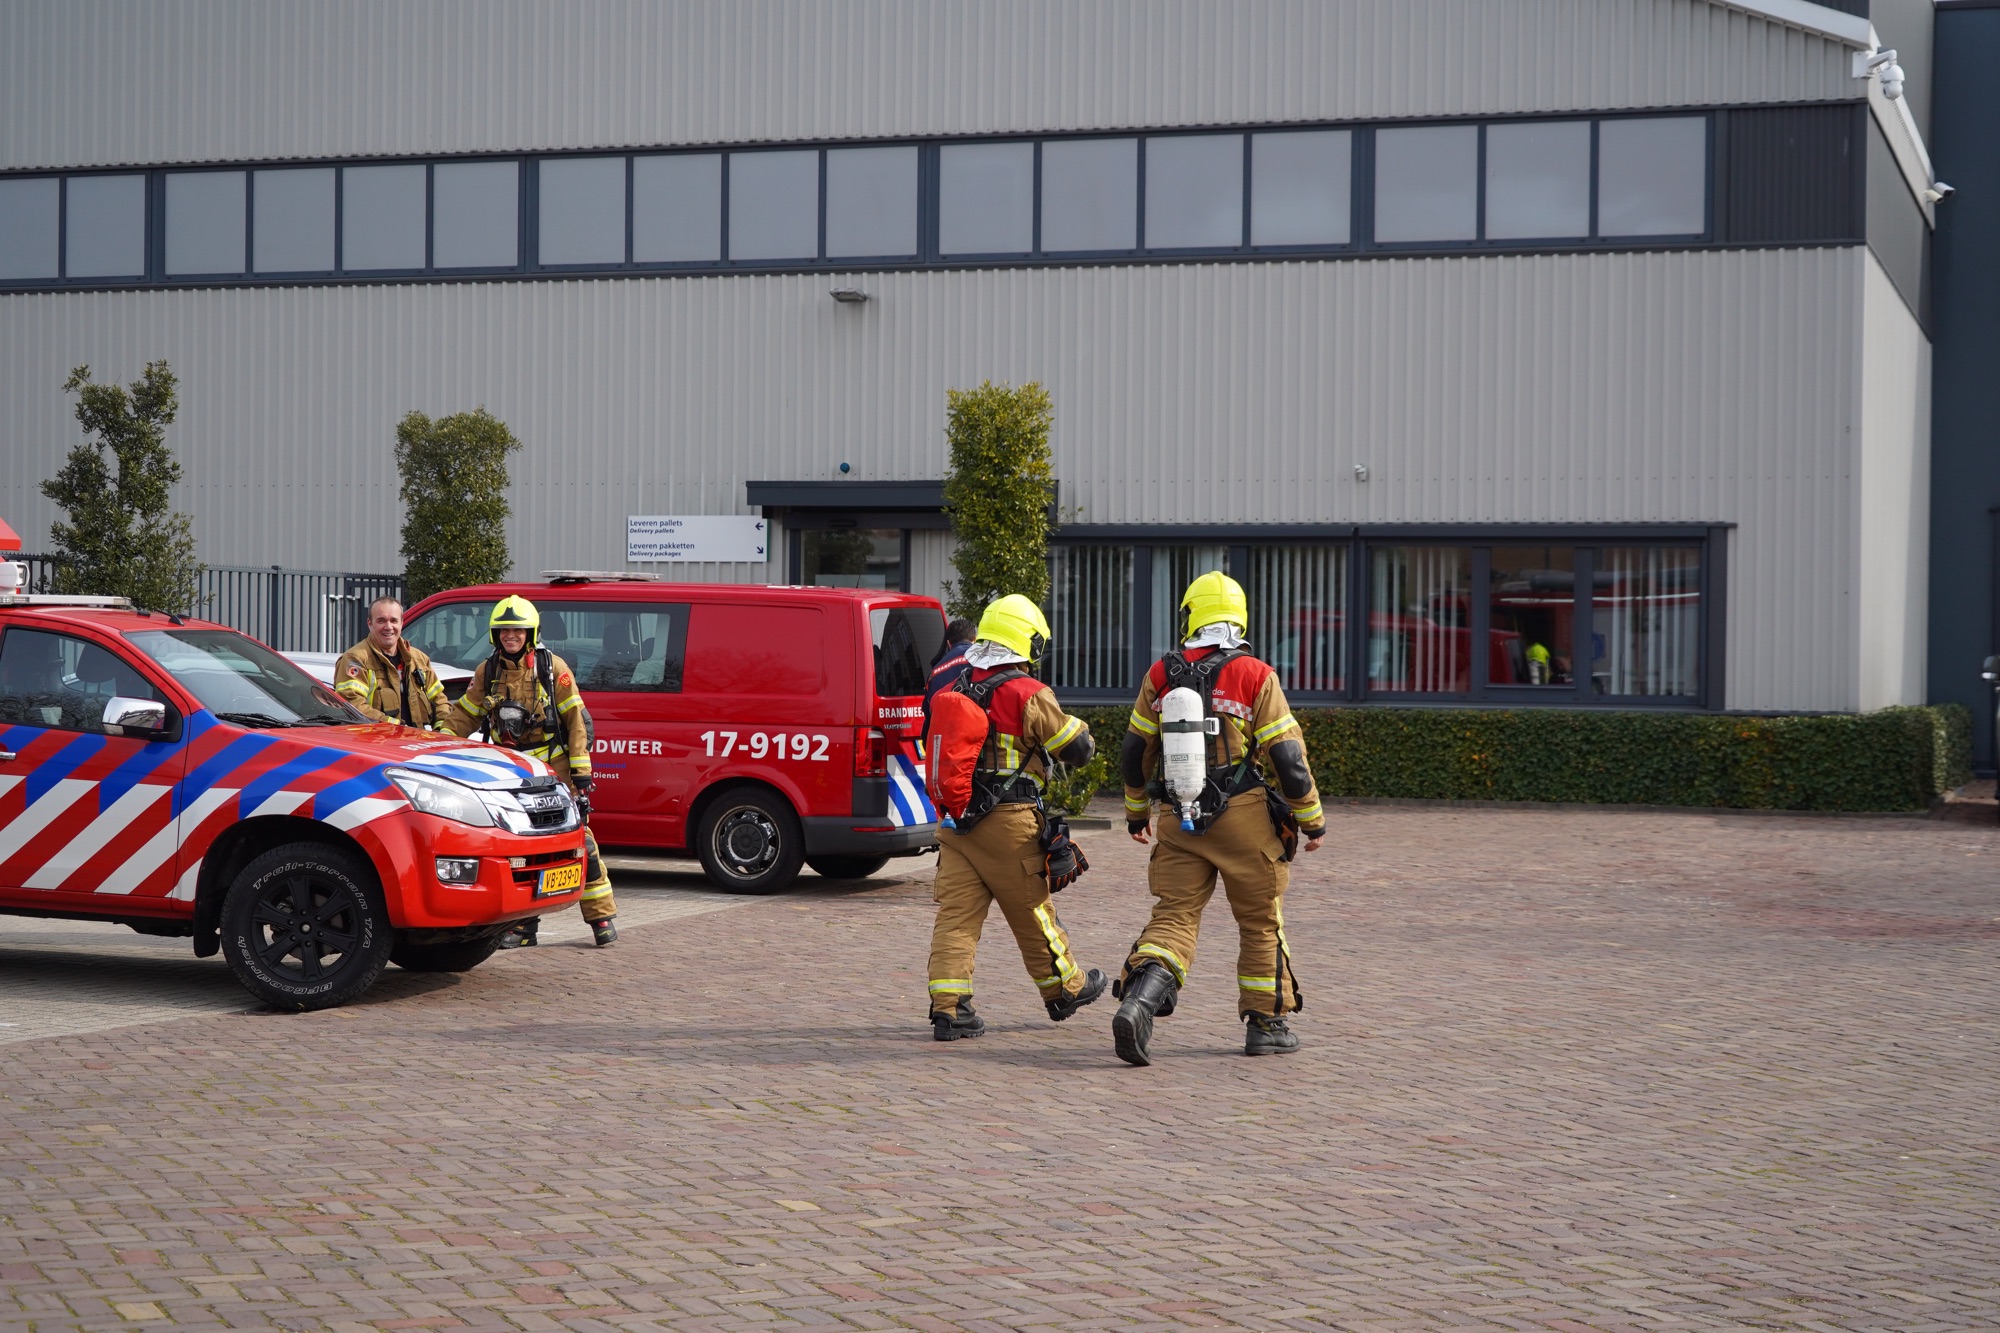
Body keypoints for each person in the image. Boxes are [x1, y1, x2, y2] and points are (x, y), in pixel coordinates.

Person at [1113, 571, 1327, 1065]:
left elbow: (1133, 750)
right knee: (1259, 920)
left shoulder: (1161, 673)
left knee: (1174, 916)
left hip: (1177, 816)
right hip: (1243, 816)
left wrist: (1134, 811)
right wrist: (1311, 819)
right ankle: (1267, 1024)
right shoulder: (1255, 674)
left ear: (1190, 615)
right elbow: (1289, 762)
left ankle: (1140, 1001)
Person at [926, 595, 1106, 1041]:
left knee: (956, 919)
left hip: (957, 824)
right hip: (1009, 822)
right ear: (1028, 642)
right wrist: (1079, 727)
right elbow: (1077, 751)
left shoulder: (958, 683)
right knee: (1033, 909)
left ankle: (950, 1009)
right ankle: (1066, 989)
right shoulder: (1026, 692)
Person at [443, 596, 618, 948]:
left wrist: (581, 774)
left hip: (553, 769)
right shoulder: (487, 672)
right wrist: (438, 749)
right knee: (521, 849)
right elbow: (464, 716)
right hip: (509, 773)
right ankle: (523, 928)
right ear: (496, 634)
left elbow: (576, 721)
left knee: (578, 839)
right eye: (505, 630)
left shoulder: (552, 668)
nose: (511, 635)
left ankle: (601, 917)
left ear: (530, 632)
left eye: (518, 630)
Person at [333, 597, 446, 727]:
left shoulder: (419, 659)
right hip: (377, 743)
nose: (388, 627)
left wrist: (442, 732)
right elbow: (353, 706)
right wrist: (397, 726)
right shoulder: (355, 660)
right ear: (370, 623)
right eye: (381, 621)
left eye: (393, 620)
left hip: (418, 743)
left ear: (401, 623)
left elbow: (439, 701)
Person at [921, 616, 976, 733]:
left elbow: (929, 715)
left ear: (949, 643)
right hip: (980, 739)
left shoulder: (934, 673)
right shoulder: (985, 660)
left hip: (948, 741)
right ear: (974, 639)